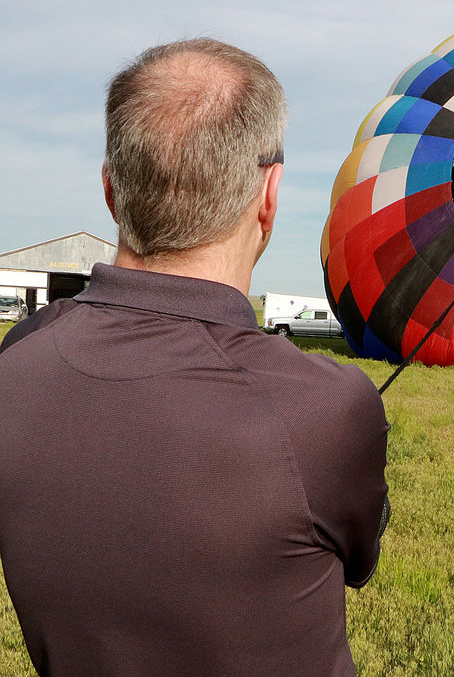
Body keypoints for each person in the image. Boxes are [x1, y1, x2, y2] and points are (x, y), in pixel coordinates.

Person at [0, 39, 389, 677]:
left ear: (109, 189)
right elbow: (359, 557)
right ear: (270, 191)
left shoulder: (17, 361)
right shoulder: (324, 404)